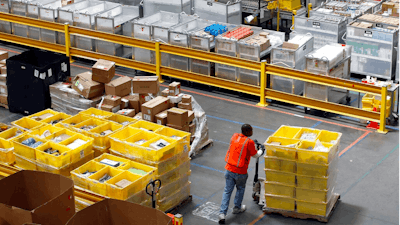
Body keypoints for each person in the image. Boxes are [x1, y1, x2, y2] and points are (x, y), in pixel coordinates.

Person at [218, 124, 263, 224]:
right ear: (247, 132)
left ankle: (222, 213)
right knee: (240, 189)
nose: (252, 132)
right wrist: (261, 150)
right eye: (251, 130)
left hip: (229, 169)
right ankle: (237, 208)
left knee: (227, 191)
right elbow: (255, 155)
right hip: (240, 172)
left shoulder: (235, 136)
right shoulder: (249, 142)